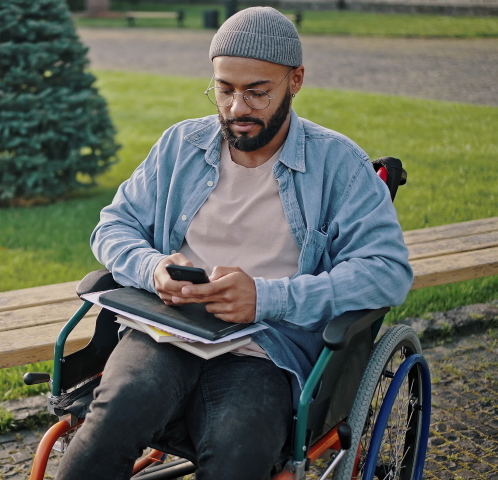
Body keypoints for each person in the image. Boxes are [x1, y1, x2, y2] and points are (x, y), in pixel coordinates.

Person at [56, 7, 413, 480]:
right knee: (106, 428)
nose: (238, 108)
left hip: (266, 349)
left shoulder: (340, 166)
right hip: (169, 331)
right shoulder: (180, 146)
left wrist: (268, 298)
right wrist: (153, 268)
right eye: (224, 89)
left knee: (237, 454)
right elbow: (113, 226)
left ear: (296, 80)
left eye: (258, 92)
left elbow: (388, 271)